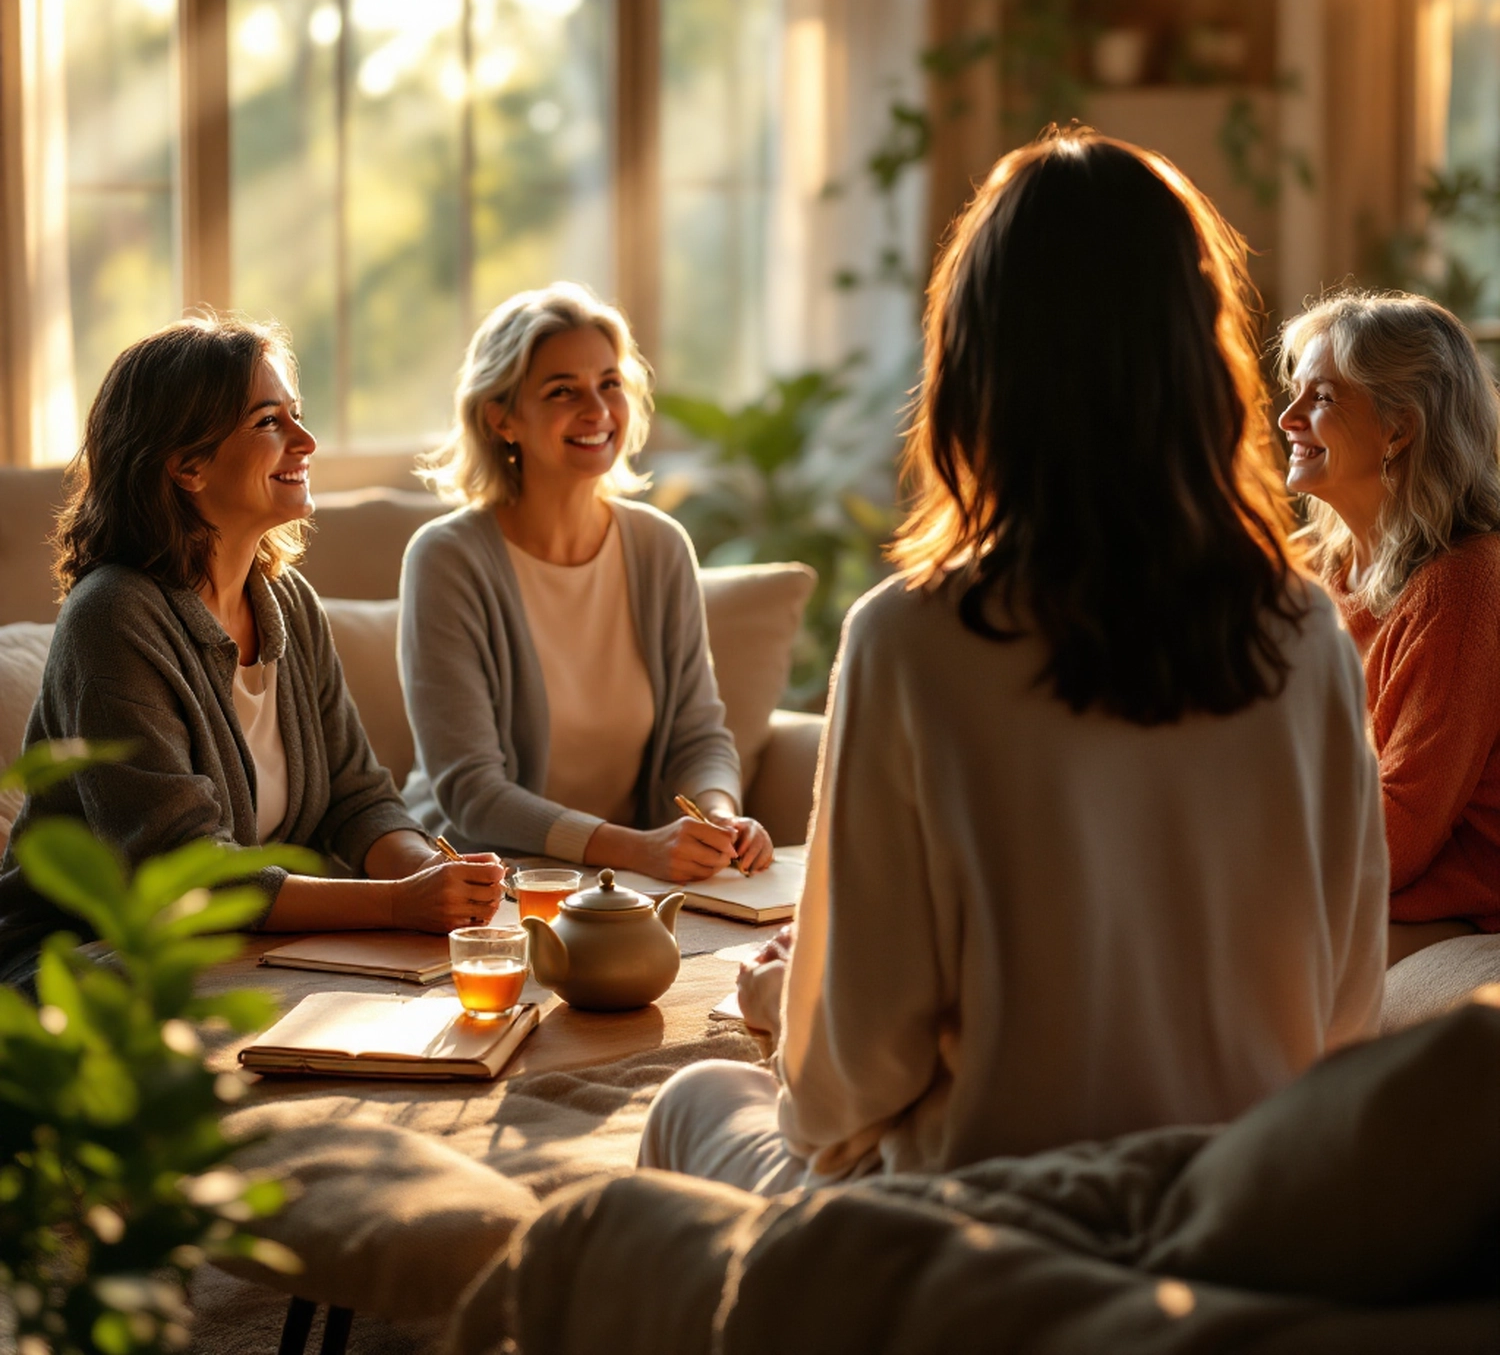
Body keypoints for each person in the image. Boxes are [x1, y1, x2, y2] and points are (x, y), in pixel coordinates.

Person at [639, 129, 1388, 1193]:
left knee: (695, 1101)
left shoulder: (911, 637)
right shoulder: (1306, 634)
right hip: (1230, 1215)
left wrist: (779, 1013)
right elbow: (1348, 1005)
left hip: (989, 1228)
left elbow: (852, 1080)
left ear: (978, 362)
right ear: (1197, 352)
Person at [0, 315, 503, 988]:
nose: (306, 440)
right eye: (270, 422)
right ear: (186, 465)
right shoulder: (113, 617)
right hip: (88, 969)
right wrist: (393, 903)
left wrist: (426, 875)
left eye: (296, 414)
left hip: (241, 949)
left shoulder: (288, 601)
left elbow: (356, 798)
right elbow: (183, 872)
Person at [400, 282, 770, 882]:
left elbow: (698, 738)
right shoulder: (448, 558)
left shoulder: (660, 546)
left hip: (627, 883)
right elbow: (471, 791)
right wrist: (638, 850)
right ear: (501, 418)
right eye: (562, 391)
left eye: (609, 383)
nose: (597, 411)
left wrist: (718, 819)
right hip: (480, 880)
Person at [1278, 291, 1500, 964]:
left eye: (1320, 398)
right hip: (1361, 875)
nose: (1288, 419)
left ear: (1398, 430)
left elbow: (1397, 835)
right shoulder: (1320, 568)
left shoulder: (1461, 584)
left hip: (1450, 902)